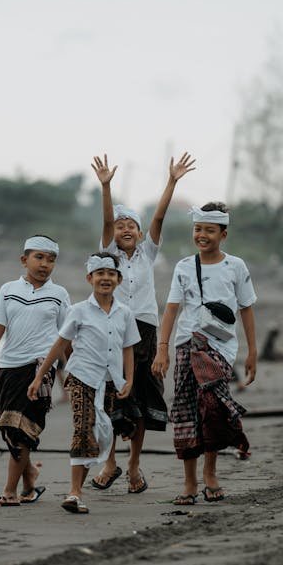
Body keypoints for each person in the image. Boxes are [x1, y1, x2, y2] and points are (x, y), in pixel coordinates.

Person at [88, 152, 195, 494]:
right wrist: (107, 187)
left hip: (146, 331)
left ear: (138, 231)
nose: (125, 230)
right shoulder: (110, 257)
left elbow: (160, 217)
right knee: (114, 396)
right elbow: (106, 222)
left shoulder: (148, 253)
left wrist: (173, 181)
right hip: (114, 329)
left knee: (143, 399)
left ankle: (134, 465)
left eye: (131, 225)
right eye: (120, 227)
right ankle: (110, 461)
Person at [152, 202, 257, 505]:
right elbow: (171, 309)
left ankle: (210, 474)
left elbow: (247, 309)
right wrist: (163, 349)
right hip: (187, 345)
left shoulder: (236, 266)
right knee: (186, 412)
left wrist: (252, 352)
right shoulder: (184, 266)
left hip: (221, 349)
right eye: (198, 229)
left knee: (212, 409)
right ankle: (189, 482)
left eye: (209, 230)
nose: (202, 235)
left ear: (223, 234)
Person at [27, 252, 140, 515]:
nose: (105, 279)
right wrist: (39, 376)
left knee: (103, 433)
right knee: (83, 429)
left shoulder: (125, 313)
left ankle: (92, 477)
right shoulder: (78, 311)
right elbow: (60, 345)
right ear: (90, 278)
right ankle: (75, 493)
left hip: (111, 382)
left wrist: (130, 380)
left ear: (119, 279)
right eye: (100, 274)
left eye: (111, 274)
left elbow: (128, 349)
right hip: (81, 378)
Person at [0, 235, 71, 507]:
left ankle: (10, 490)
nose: (45, 264)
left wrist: (74, 371)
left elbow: (67, 337)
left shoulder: (59, 294)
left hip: (40, 368)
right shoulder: (7, 290)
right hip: (8, 366)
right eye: (39, 258)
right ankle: (30, 476)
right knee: (7, 425)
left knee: (23, 429)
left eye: (51, 260)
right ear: (24, 260)